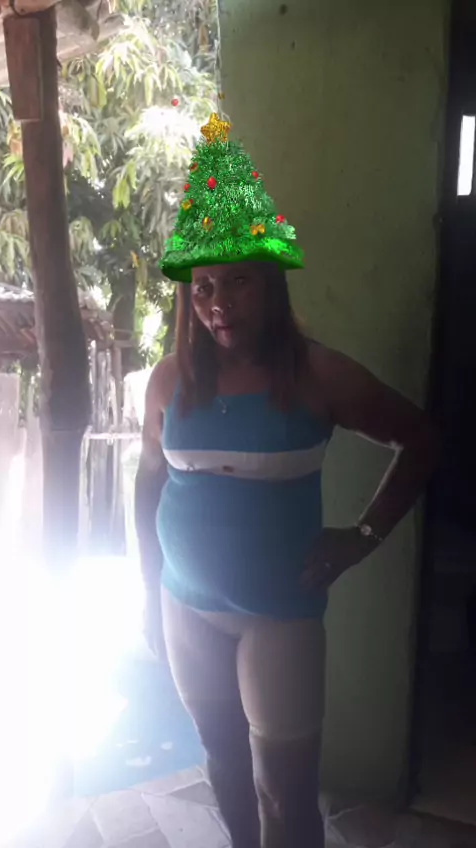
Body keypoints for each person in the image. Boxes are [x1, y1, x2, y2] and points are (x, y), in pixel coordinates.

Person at [135, 114, 439, 848]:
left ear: (270, 283)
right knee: (222, 764)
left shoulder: (318, 376)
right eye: (203, 287)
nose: (218, 302)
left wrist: (362, 537)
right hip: (184, 606)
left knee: (286, 794)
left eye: (238, 282)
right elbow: (147, 483)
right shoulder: (170, 380)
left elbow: (421, 438)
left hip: (278, 616)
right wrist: (146, 588)